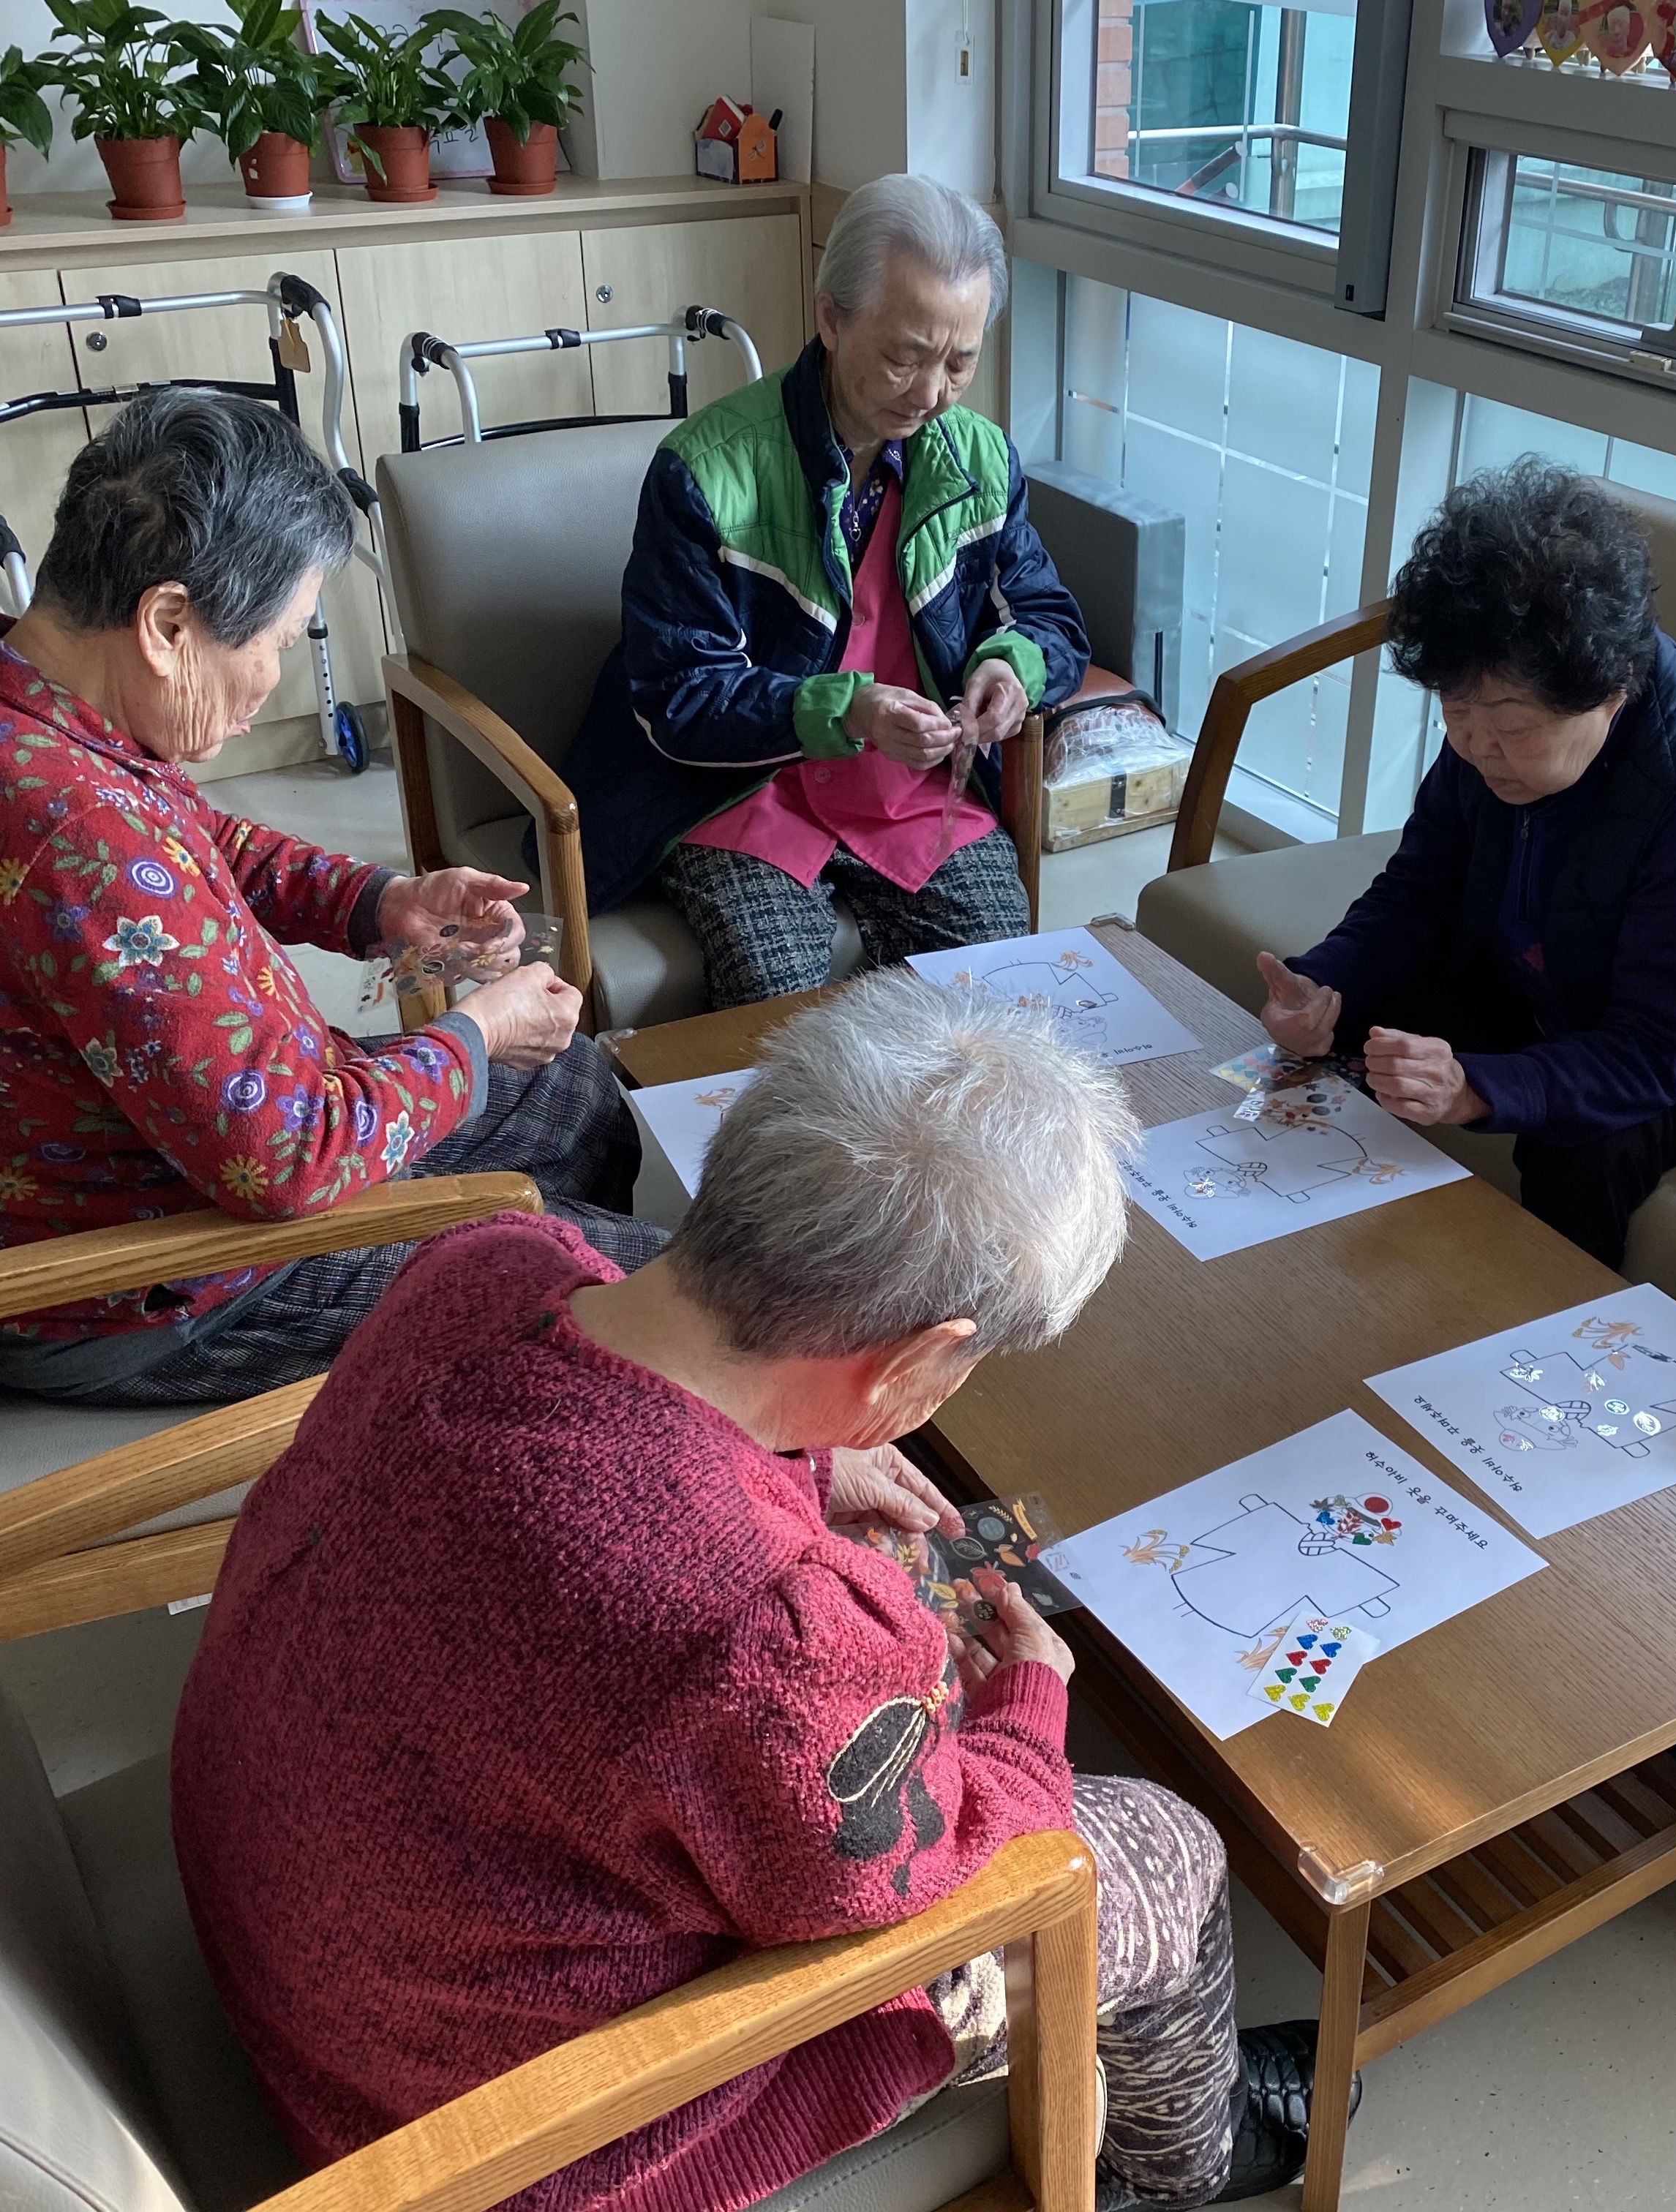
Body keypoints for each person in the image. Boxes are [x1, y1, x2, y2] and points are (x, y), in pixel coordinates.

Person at [170, 970, 1341, 2212]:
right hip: (473, 2129)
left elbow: (592, 1429)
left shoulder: (487, 1263)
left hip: (298, 1921)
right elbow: (893, 1878)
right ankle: (1184, 2157)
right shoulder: (767, 1628)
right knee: (1167, 1846)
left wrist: (806, 1454)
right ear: (926, 1355)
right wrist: (1028, 1709)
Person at [0, 389, 661, 1407]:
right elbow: (291, 1159)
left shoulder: (56, 701)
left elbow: (202, 840)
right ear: (168, 623)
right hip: (171, 1280)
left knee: (570, 1087)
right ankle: (551, 1359)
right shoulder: (74, 833)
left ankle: (529, 1301)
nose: (276, 680)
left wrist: (382, 902)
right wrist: (475, 1034)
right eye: (278, 640)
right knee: (631, 1287)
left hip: (232, 1130)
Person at [1258, 459, 1676, 1270]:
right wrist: (1322, 985)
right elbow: (1420, 890)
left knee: (1582, 1141)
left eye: (1511, 727)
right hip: (1572, 976)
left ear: (1613, 689)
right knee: (1371, 1023)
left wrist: (1473, 1089)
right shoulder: (1495, 708)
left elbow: (1651, 1052)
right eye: (1455, 711)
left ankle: (1536, 1325)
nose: (1477, 747)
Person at [560, 173, 1089, 1009]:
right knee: (777, 997)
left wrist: (1011, 666)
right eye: (905, 357)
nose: (931, 394)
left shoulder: (979, 460)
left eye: (960, 362)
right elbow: (679, 696)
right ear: (832, 319)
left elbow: (1049, 618)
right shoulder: (705, 472)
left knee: (998, 970)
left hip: (908, 787)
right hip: (742, 790)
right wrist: (849, 711)